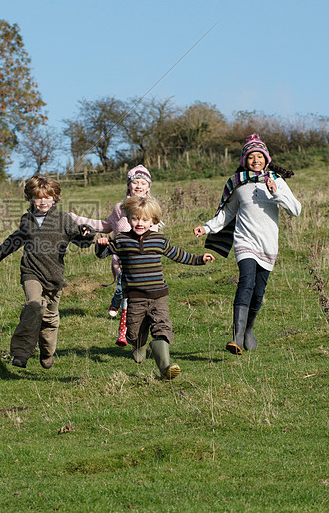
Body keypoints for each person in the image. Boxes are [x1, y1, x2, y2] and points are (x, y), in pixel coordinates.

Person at [193, 133, 302, 355]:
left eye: (259, 156)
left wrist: (275, 192)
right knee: (246, 283)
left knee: (258, 293)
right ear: (245, 160)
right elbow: (228, 212)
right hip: (245, 241)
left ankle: (248, 329)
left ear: (266, 159)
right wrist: (207, 227)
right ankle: (236, 336)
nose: (255, 160)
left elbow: (296, 210)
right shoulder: (237, 182)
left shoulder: (276, 181)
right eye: (251, 157)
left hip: (268, 244)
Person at [95, 196, 214, 379]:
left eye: (144, 219)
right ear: (128, 219)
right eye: (135, 218)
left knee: (162, 328)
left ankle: (166, 367)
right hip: (135, 296)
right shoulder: (122, 240)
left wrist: (199, 259)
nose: (139, 223)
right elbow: (102, 254)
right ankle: (139, 344)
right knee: (134, 332)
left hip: (159, 295)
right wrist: (100, 245)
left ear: (153, 221)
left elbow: (178, 254)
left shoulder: (158, 240)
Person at [0, 175, 94, 369]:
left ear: (55, 198)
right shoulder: (26, 219)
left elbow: (80, 239)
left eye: (47, 197)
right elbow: (15, 239)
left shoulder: (63, 219)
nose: (43, 201)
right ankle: (21, 353)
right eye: (38, 197)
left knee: (50, 318)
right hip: (31, 272)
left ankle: (47, 351)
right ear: (30, 198)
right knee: (34, 306)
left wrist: (88, 233)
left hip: (54, 276)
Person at [68, 165, 162, 346]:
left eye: (143, 183)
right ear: (128, 185)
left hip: (144, 264)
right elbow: (105, 226)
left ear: (148, 187)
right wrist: (78, 220)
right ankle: (123, 332)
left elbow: (155, 236)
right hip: (121, 262)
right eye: (135, 182)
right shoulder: (120, 208)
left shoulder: (152, 209)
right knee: (126, 295)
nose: (139, 186)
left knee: (139, 300)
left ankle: (137, 334)